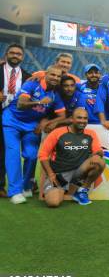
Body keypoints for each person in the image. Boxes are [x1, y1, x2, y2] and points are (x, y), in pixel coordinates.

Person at [3, 66, 66, 204]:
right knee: (13, 153)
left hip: (32, 126)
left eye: (58, 76)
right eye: (52, 75)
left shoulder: (55, 95)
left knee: (31, 155)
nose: (55, 78)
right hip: (12, 120)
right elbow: (20, 104)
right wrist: (38, 102)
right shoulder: (32, 83)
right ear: (45, 75)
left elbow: (62, 115)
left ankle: (26, 186)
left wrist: (48, 122)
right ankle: (15, 191)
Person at [38, 108, 105, 207]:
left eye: (85, 118)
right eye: (79, 118)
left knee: (99, 162)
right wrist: (51, 174)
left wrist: (98, 153)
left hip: (78, 175)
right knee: (53, 203)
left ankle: (82, 190)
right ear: (71, 119)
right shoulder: (57, 133)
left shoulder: (91, 134)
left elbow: (98, 151)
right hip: (58, 175)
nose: (82, 121)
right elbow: (42, 155)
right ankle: (60, 190)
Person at [1, 43, 32, 197]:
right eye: (12, 52)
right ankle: (1, 185)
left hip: (16, 116)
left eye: (18, 54)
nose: (15, 55)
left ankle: (26, 185)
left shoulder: (28, 76)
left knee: (12, 151)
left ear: (22, 57)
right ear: (6, 54)